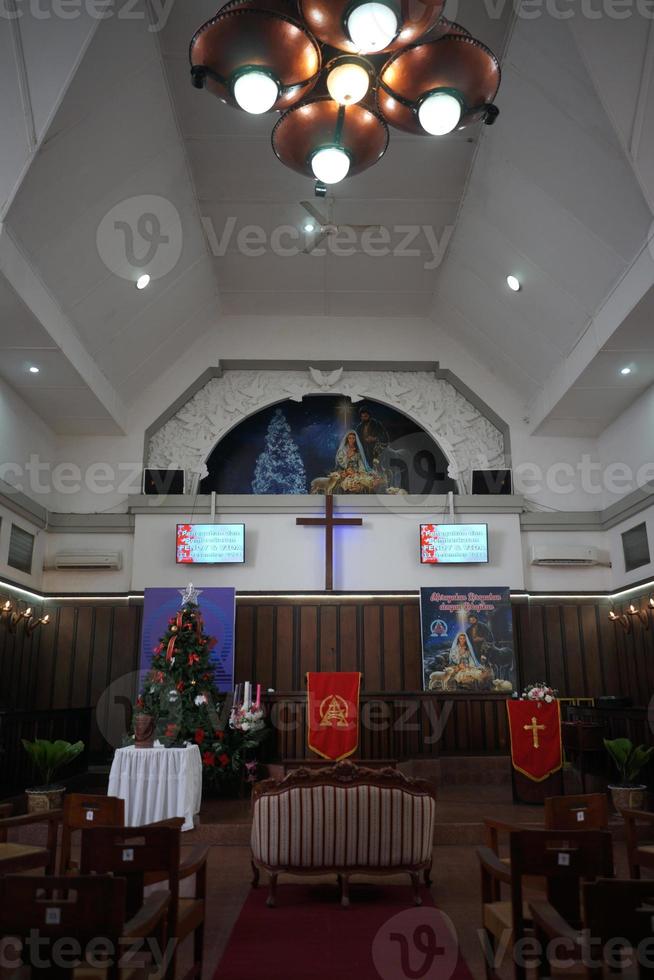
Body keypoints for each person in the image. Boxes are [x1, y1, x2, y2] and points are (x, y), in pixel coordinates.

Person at [355, 406, 389, 470]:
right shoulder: (359, 427)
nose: (363, 418)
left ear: (369, 416)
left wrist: (374, 438)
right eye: (362, 416)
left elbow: (385, 437)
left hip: (376, 452)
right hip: (363, 452)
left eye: (365, 416)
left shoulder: (377, 424)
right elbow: (356, 439)